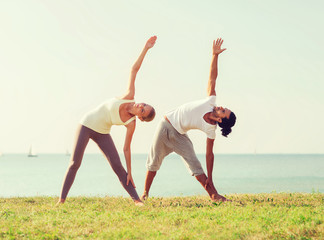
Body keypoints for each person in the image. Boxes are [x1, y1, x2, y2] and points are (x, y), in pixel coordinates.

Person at [57, 36, 157, 206]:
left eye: (142, 110)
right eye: (144, 105)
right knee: (75, 163)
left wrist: (130, 172)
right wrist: (146, 49)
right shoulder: (129, 97)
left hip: (102, 132)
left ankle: (136, 200)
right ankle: (61, 200)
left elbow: (126, 148)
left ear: (140, 117)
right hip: (86, 124)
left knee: (118, 166)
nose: (141, 105)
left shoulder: (131, 124)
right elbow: (134, 69)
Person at [141, 38, 236, 202]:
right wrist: (215, 55)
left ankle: (213, 194)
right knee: (153, 162)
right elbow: (212, 78)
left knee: (195, 165)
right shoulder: (210, 101)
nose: (220, 107)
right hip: (166, 125)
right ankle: (144, 194)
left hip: (180, 136)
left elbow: (209, 155)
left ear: (221, 121)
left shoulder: (210, 130)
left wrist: (211, 178)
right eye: (223, 108)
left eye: (223, 111)